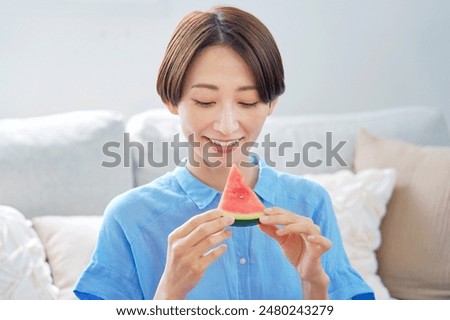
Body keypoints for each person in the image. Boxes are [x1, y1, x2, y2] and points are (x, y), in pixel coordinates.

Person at [74, 6, 374, 300]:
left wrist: (314, 285)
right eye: (205, 101)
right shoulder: (129, 217)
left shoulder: (310, 203)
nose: (227, 126)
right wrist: (169, 292)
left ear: (271, 103)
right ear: (172, 99)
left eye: (248, 102)